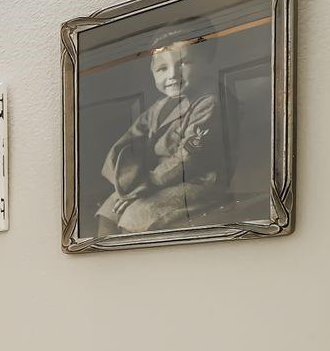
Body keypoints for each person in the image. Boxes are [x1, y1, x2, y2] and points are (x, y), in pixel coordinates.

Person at [98, 24, 233, 235]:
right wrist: (128, 183)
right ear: (152, 73)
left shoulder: (209, 103)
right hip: (154, 180)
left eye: (185, 63)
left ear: (206, 63)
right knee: (108, 211)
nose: (173, 75)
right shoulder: (160, 107)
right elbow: (130, 139)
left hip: (197, 181)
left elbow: (188, 157)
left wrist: (146, 185)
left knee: (135, 216)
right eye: (162, 69)